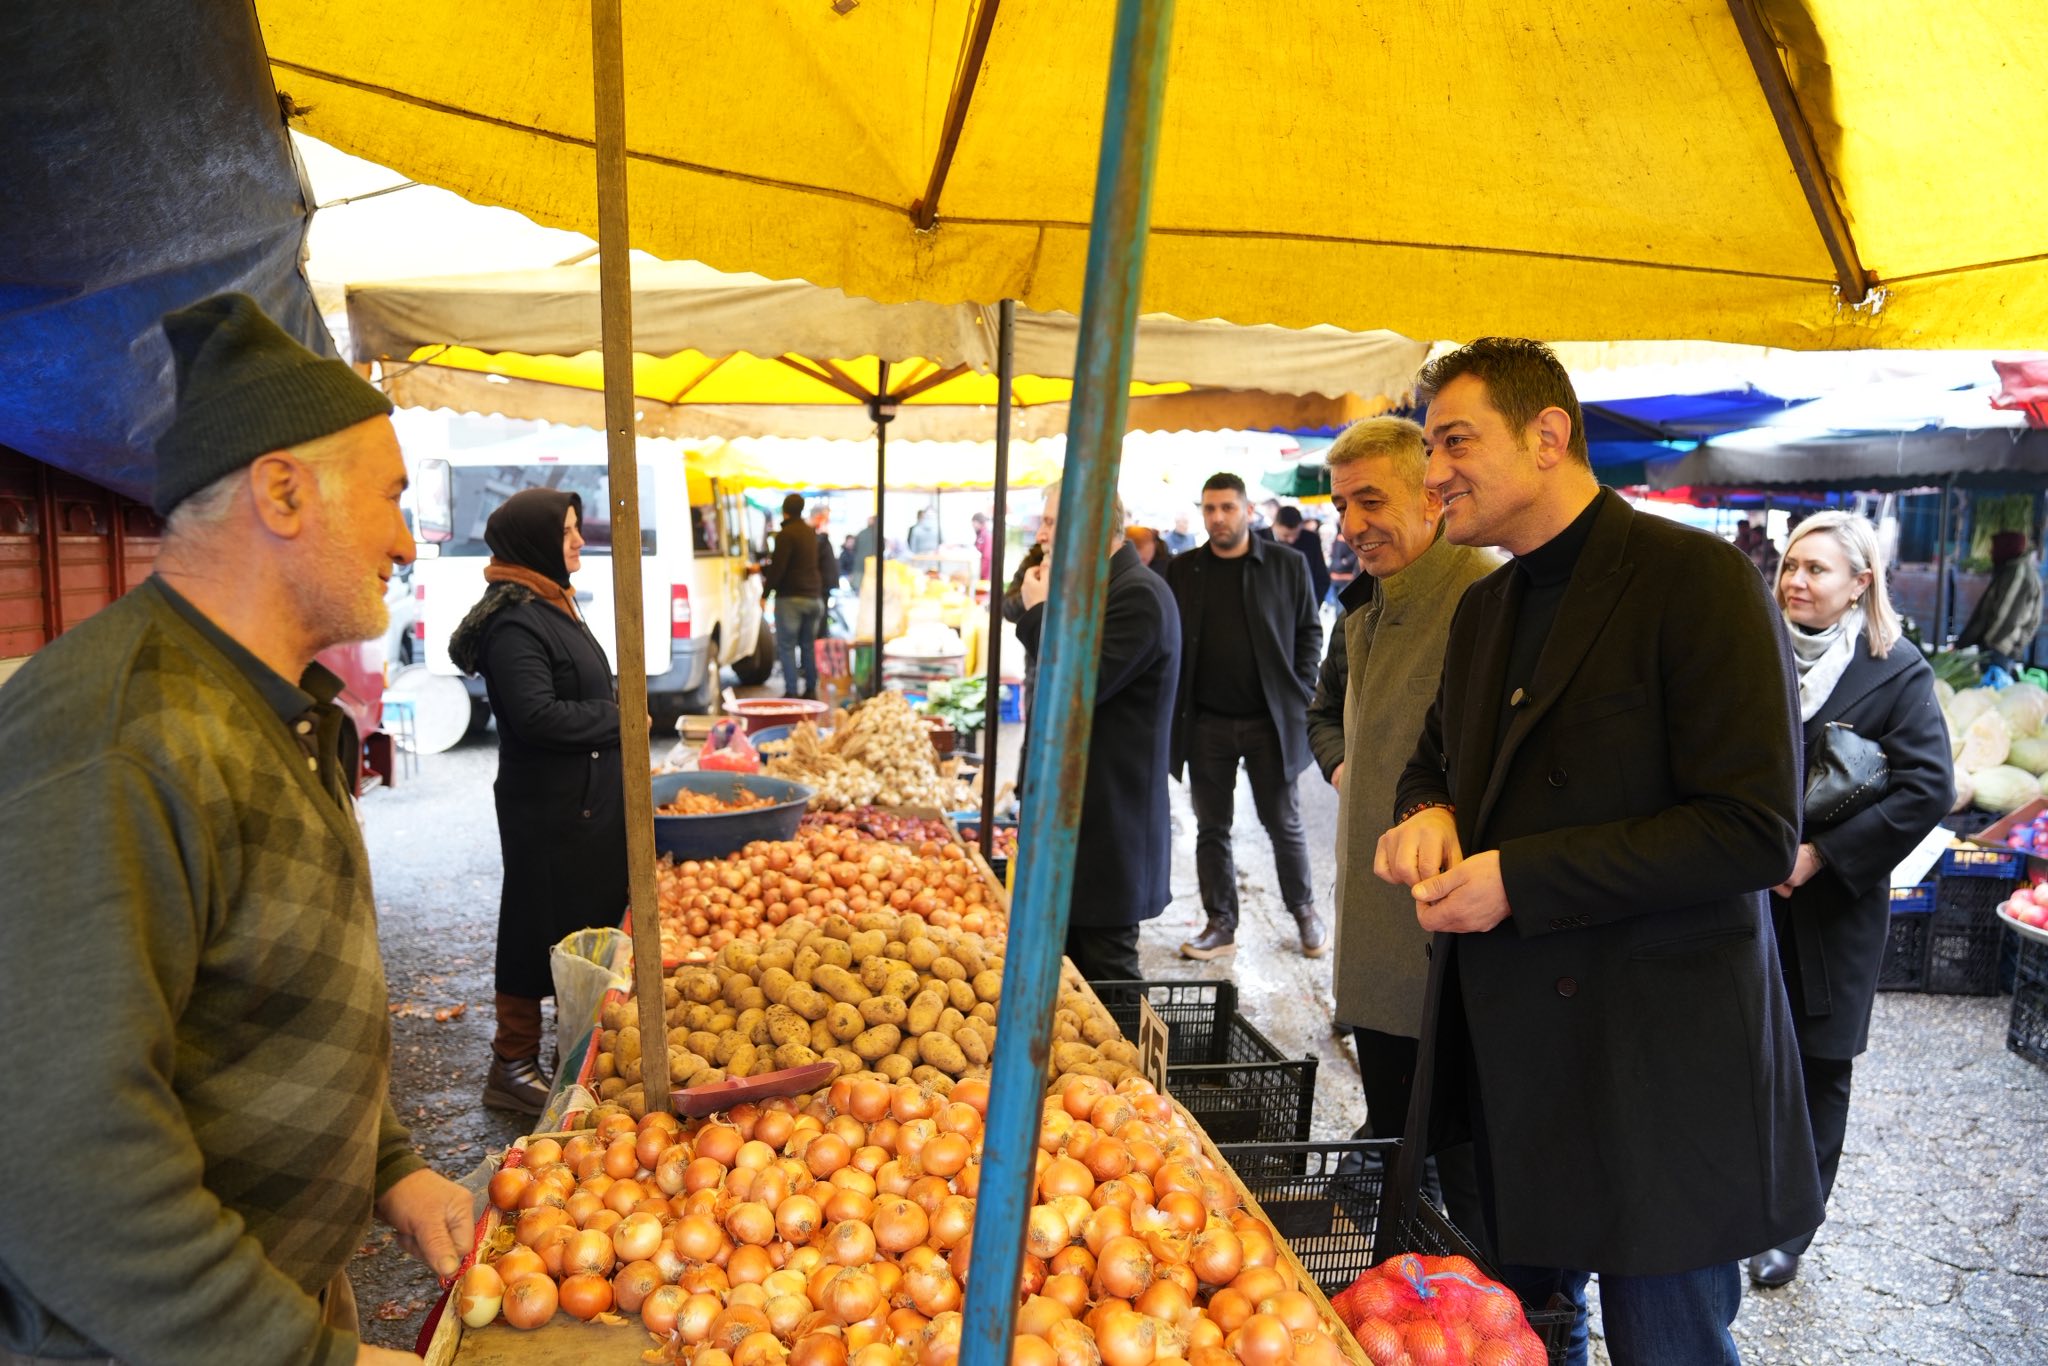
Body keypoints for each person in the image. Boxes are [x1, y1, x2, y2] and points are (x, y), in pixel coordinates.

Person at [0, 293, 471, 1366]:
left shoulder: (269, 708)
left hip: (270, 1302)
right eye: (391, 497)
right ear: (283, 490)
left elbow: (278, 990)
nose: (406, 541)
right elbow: (55, 1147)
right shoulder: (123, 738)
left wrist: (389, 1165)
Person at [1374, 338, 1822, 1366]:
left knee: (1666, 1343)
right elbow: (1431, 761)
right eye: (1429, 445)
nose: (1432, 471)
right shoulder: (1484, 607)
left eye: (1454, 441)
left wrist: (1518, 879)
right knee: (1519, 1335)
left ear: (1547, 436)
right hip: (1518, 1063)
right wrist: (1428, 809)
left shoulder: (1695, 579)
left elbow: (1752, 828)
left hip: (1655, 1068)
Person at [1751, 513, 1955, 1289]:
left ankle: (1790, 1229)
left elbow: (1927, 786)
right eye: (1790, 565)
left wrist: (1821, 856)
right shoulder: (1755, 650)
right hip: (1746, 895)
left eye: (1817, 570)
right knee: (1741, 1050)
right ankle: (1734, 1204)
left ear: (1860, 583)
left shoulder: (1896, 669)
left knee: (1818, 1064)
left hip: (1833, 908)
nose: (1796, 581)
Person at [1304, 419, 1497, 1168]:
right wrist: (1344, 767)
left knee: (1459, 1155)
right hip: (1375, 918)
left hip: (1447, 931)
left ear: (1429, 497)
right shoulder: (1366, 606)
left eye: (1371, 501)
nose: (1352, 526)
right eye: (1341, 506)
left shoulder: (1484, 596)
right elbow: (1324, 712)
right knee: (1395, 1128)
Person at [449, 487, 630, 1114]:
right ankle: (512, 1065)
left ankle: (569, 1058)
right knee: (532, 928)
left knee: (580, 929)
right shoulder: (514, 621)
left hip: (581, 804)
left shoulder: (553, 602)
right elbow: (534, 715)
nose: (580, 540)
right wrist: (620, 719)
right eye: (568, 531)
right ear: (535, 542)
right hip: (548, 810)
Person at [1016, 483, 1181, 980]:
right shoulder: (1096, 589)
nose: (1041, 535)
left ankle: (1129, 1039)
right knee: (1070, 974)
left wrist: (1038, 613)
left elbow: (1076, 687)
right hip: (1077, 825)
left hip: (1110, 830)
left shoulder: (1138, 595)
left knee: (1109, 977)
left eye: (1050, 523)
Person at [1165, 473, 1325, 960]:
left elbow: (1309, 632)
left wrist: (1301, 690)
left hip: (1269, 722)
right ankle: (1221, 924)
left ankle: (1304, 912)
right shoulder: (1184, 569)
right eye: (1209, 509)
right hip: (1206, 723)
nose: (1218, 518)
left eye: (1227, 508)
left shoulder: (1286, 564)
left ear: (1248, 511)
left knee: (1283, 823)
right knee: (1212, 828)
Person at [759, 492, 827, 699]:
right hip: (814, 597)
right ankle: (811, 689)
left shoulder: (786, 535)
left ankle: (791, 692)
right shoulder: (810, 533)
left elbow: (778, 568)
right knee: (807, 645)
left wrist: (765, 594)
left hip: (791, 598)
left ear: (785, 511)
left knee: (787, 646)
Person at [1956, 529, 2043, 670]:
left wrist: (1989, 644)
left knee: (1992, 681)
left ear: (2006, 548)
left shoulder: (2018, 574)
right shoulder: (2010, 570)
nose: (1991, 552)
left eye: (1994, 547)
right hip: (1995, 647)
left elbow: (2006, 616)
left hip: (1999, 648)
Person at [1272, 504, 1331, 604]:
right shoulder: (1259, 539)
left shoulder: (1311, 540)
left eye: (1296, 534)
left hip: (1304, 605)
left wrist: (1312, 606)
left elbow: (1321, 578)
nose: (1291, 540)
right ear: (1274, 526)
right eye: (1286, 536)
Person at [972, 510, 993, 581]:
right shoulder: (981, 534)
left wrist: (982, 574)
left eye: (973, 523)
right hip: (982, 573)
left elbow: (987, 557)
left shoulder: (985, 535)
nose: (973, 525)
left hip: (985, 575)